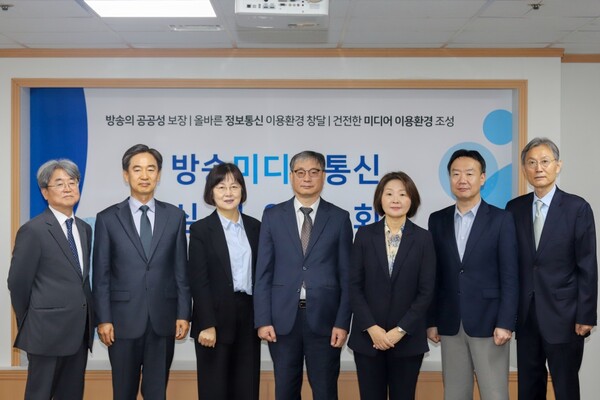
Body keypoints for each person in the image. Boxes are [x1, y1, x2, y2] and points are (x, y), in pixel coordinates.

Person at [92, 144, 191, 400]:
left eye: (151, 169)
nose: (144, 175)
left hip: (163, 319)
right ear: (126, 175)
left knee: (157, 392)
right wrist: (103, 319)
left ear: (159, 175)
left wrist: (183, 313)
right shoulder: (107, 218)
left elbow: (181, 270)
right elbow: (101, 275)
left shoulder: (175, 216)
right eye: (137, 169)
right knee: (123, 392)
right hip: (122, 321)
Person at [253, 150, 353, 399]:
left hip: (325, 320)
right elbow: (263, 272)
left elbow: (347, 277)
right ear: (291, 177)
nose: (307, 178)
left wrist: (342, 322)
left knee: (325, 391)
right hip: (283, 320)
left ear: (323, 176)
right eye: (300, 172)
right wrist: (263, 320)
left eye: (313, 172)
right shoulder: (273, 216)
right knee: (285, 391)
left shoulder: (339, 218)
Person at [505, 137, 597, 400]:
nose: (538, 168)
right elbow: (510, 265)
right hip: (526, 317)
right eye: (531, 162)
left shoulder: (577, 208)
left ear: (558, 165)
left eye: (545, 161)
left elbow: (587, 265)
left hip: (565, 316)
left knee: (566, 388)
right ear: (524, 169)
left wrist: (586, 315)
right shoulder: (514, 208)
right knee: (529, 388)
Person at [427, 149, 519, 400]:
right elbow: (434, 275)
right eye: (456, 174)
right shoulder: (437, 220)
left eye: (469, 173)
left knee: (494, 393)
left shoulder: (501, 220)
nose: (462, 180)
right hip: (450, 322)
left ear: (482, 178)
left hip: (490, 323)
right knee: (455, 393)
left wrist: (505, 322)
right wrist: (431, 320)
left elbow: (510, 276)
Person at [8, 159, 94, 399]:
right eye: (59, 183)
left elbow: (80, 280)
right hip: (45, 332)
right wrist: (33, 320)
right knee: (40, 394)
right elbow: (18, 283)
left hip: (78, 332)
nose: (68, 188)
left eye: (72, 182)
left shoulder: (84, 229)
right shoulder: (33, 230)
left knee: (72, 394)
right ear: (45, 192)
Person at [348, 171, 436, 400]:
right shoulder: (364, 235)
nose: (395, 199)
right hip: (368, 340)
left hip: (407, 341)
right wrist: (372, 328)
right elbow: (354, 286)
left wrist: (400, 330)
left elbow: (426, 291)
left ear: (412, 200)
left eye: (402, 194)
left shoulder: (424, 238)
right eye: (389, 194)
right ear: (380, 198)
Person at [188, 163, 261, 400]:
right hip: (215, 320)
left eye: (234, 186)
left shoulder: (256, 227)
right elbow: (198, 281)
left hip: (249, 318)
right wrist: (207, 323)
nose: (228, 193)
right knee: (215, 390)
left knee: (247, 389)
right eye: (221, 187)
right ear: (211, 192)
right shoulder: (201, 230)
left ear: (242, 191)